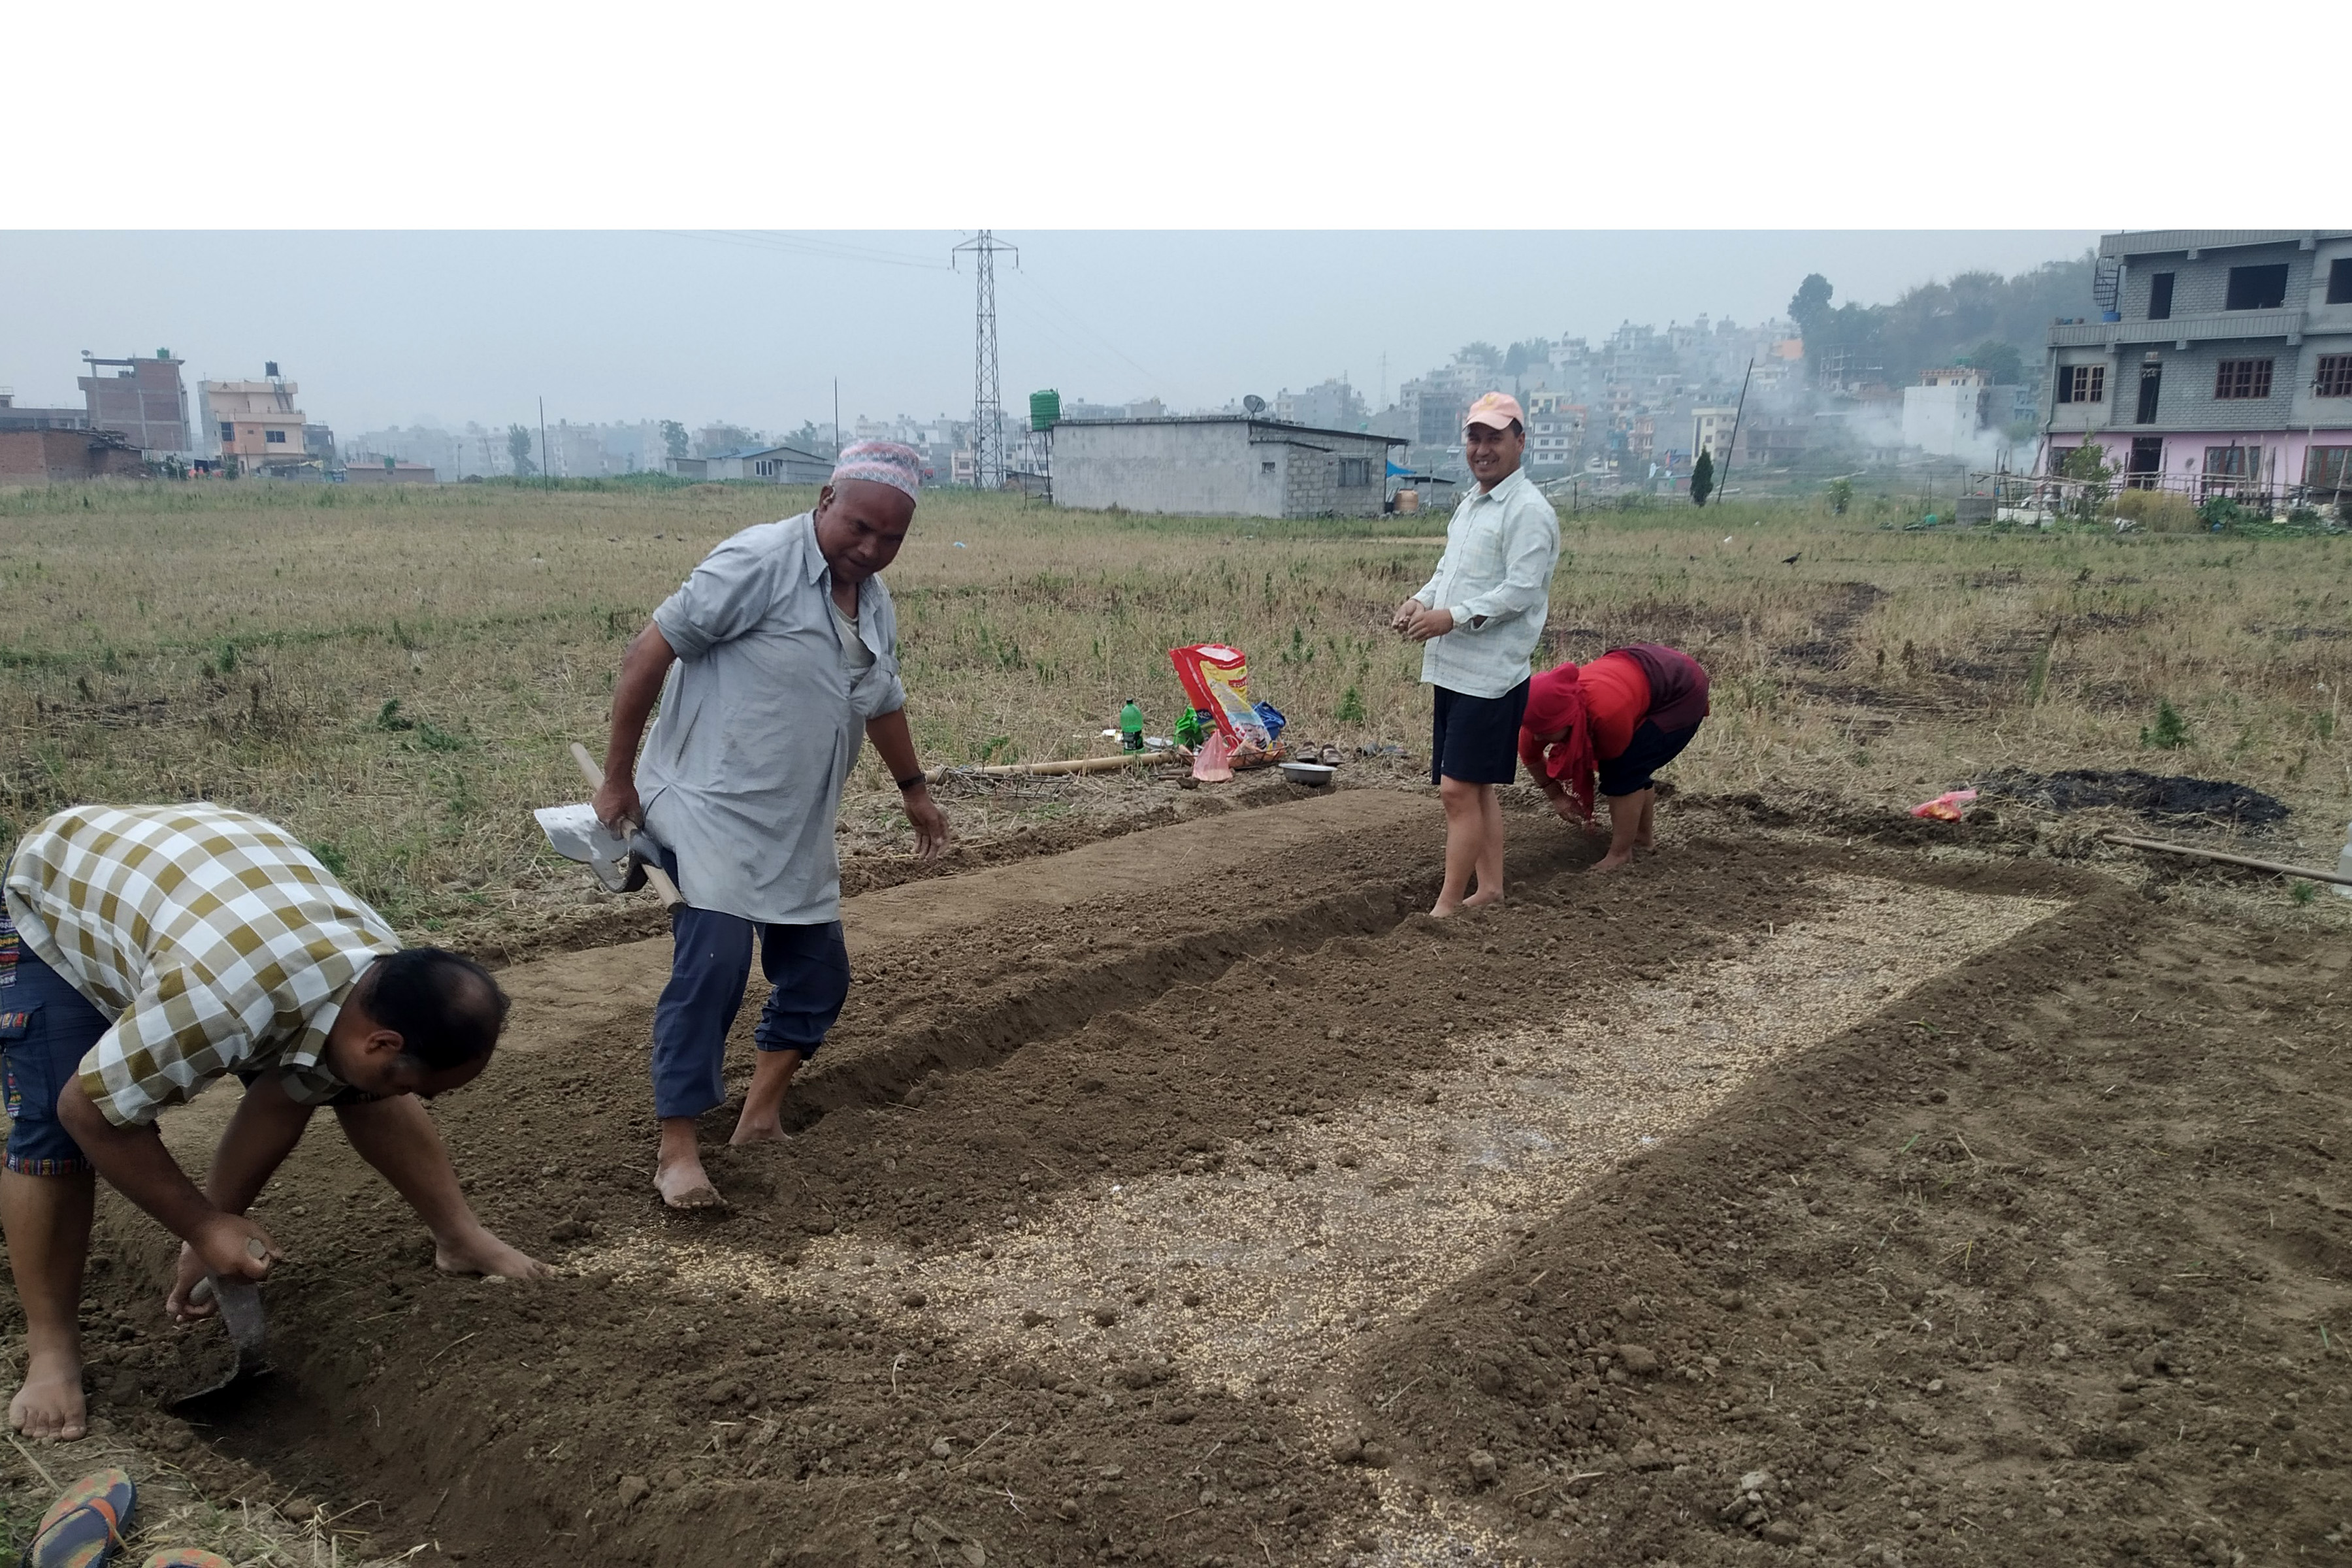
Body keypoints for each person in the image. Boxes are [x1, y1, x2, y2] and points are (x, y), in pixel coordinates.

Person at [1, 802, 535, 1442]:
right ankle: (52, 1350)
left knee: (360, 1090)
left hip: (208, 884)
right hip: (64, 892)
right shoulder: (217, 1002)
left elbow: (284, 1099)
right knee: (55, 1129)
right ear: (383, 1043)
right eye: (424, 1087)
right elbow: (89, 1111)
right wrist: (201, 1223)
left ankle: (460, 1237)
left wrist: (209, 1233)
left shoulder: (377, 974)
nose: (426, 1099)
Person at [595, 441, 951, 1210]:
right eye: (860, 528)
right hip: (707, 802)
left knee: (820, 974)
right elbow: (646, 654)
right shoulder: (756, 561)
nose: (872, 549)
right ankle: (678, 1149)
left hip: (794, 819)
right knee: (715, 965)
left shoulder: (871, 599)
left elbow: (880, 699)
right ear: (825, 499)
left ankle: (758, 1119)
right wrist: (618, 777)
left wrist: (914, 790)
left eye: (892, 539)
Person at [1390, 392, 1562, 915]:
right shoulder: (1471, 504)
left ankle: (1446, 906)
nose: (1483, 449)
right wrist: (1422, 600)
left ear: (1520, 442)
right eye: (1475, 437)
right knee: (1477, 789)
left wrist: (1453, 616)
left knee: (1456, 792)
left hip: (1491, 675)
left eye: (1495, 438)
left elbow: (1521, 591)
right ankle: (1489, 890)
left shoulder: (1528, 511)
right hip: (1455, 667)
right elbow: (1449, 571)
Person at [1519, 644, 1712, 872]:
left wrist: (1622, 777)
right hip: (1641, 669)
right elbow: (1530, 755)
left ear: (1567, 719)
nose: (1539, 735)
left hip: (1681, 689)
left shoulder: (1606, 716)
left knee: (1624, 771)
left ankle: (1621, 853)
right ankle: (1642, 840)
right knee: (1630, 769)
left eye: (1545, 730)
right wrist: (1557, 797)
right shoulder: (1538, 716)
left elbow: (1623, 775)